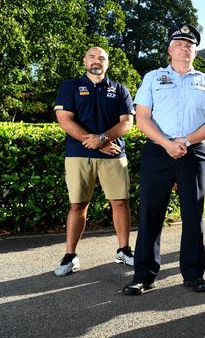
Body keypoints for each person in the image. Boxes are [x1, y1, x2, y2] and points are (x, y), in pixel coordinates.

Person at [123, 24, 205, 295]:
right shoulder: (153, 78)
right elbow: (142, 117)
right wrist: (167, 143)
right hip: (158, 151)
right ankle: (143, 276)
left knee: (193, 214)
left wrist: (186, 142)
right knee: (150, 213)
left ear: (195, 52)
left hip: (194, 152)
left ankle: (192, 274)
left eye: (189, 45)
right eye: (179, 44)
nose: (184, 48)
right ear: (169, 50)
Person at [53, 46, 135, 276]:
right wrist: (93, 141)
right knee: (78, 205)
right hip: (79, 154)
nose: (96, 61)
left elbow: (127, 123)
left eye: (102, 58)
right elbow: (64, 119)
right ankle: (70, 256)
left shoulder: (119, 89)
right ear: (84, 60)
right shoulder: (70, 86)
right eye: (92, 56)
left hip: (113, 154)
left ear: (107, 63)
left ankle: (124, 250)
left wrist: (102, 138)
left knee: (120, 202)